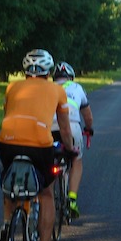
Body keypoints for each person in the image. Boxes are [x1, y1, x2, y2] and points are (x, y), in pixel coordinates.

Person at [0, 49, 76, 241]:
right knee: (45, 193)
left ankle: (6, 224)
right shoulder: (57, 90)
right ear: (49, 71)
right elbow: (64, 126)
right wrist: (70, 149)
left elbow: (7, 113)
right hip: (40, 145)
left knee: (10, 180)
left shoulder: (12, 87)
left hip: (7, 141)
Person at [50, 61, 94, 218]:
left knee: (48, 161)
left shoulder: (48, 88)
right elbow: (87, 116)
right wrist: (89, 129)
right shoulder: (77, 88)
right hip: (72, 126)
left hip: (49, 128)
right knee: (76, 160)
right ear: (71, 77)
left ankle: (46, 197)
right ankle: (72, 199)